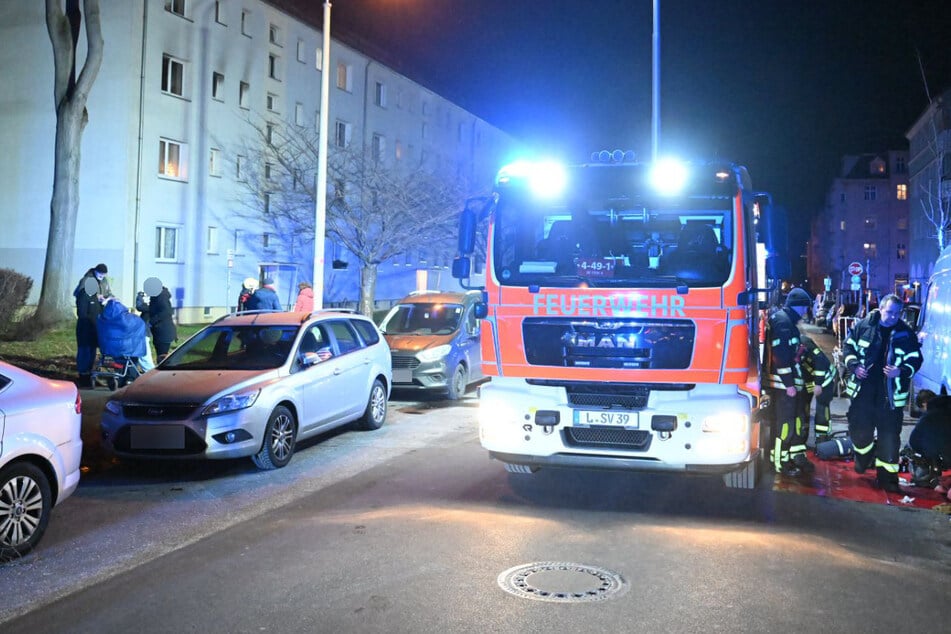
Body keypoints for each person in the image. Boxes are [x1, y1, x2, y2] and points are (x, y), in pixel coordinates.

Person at [843, 293, 923, 493]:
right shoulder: (864, 326)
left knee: (889, 438)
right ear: (880, 310)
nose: (893, 317)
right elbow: (848, 347)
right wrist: (854, 366)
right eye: (890, 312)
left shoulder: (905, 334)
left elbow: (916, 359)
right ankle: (863, 456)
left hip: (890, 397)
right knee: (860, 431)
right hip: (863, 392)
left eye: (897, 313)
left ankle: (888, 479)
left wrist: (901, 371)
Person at [764, 288, 813, 477]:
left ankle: (788, 458)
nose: (806, 311)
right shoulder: (784, 323)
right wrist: (789, 384)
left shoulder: (785, 320)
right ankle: (780, 463)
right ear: (799, 306)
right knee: (785, 425)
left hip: (784, 384)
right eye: (805, 307)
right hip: (783, 386)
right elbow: (781, 356)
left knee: (790, 423)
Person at [73, 263, 112, 386]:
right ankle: (83, 374)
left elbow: (107, 294)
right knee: (85, 350)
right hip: (86, 326)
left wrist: (105, 300)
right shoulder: (85, 290)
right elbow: (82, 312)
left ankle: (88, 372)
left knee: (92, 350)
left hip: (95, 325)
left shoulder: (102, 285)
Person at [796, 334, 836, 445]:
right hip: (808, 379)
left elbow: (820, 362)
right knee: (803, 407)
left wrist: (818, 384)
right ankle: (803, 436)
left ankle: (822, 437)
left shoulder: (806, 343)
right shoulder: (789, 343)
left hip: (825, 379)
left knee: (822, 407)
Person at [907, 389, 951, 489]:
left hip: (946, 454)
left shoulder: (930, 416)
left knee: (918, 448)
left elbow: (914, 441)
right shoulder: (947, 405)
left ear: (924, 404)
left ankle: (931, 477)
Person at [145, 280, 177, 362]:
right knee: (160, 354)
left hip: (163, 331)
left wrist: (152, 321)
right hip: (159, 330)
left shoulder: (161, 297)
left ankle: (162, 370)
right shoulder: (157, 296)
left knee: (162, 356)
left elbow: (166, 311)